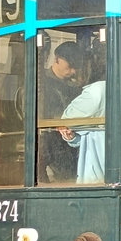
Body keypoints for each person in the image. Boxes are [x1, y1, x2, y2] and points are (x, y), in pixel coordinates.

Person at [58, 56, 106, 185]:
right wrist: (73, 138)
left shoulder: (97, 91)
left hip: (99, 163)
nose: (74, 73)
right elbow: (91, 135)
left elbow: (67, 120)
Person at [39, 41, 83, 183]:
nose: (73, 71)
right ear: (57, 59)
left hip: (71, 145)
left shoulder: (76, 86)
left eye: (76, 67)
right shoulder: (41, 83)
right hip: (49, 144)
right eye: (70, 66)